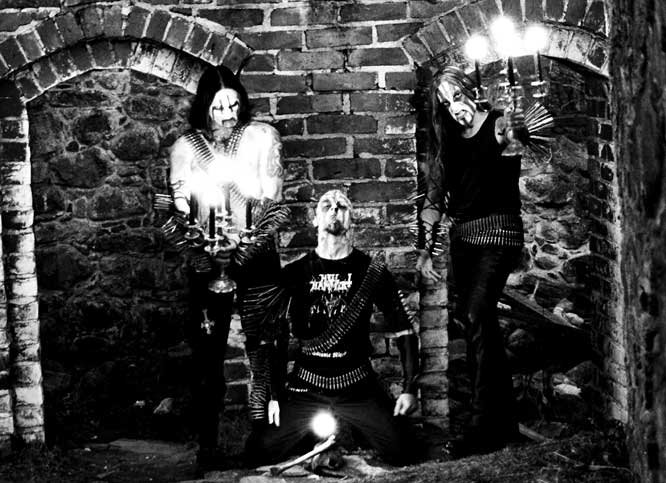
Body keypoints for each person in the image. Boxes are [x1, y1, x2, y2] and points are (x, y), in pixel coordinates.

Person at [244, 190, 420, 466]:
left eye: (342, 206)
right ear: (315, 219)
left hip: (357, 384)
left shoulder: (371, 271)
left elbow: (404, 331)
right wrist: (275, 395)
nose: (334, 209)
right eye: (327, 205)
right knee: (258, 451)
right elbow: (274, 337)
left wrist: (409, 388)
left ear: (352, 219)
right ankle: (319, 435)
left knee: (404, 450)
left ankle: (337, 433)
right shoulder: (295, 273)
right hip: (306, 385)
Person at [168, 64, 284, 470]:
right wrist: (200, 237)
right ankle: (208, 444)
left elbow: (271, 196)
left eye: (233, 104)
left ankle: (267, 437)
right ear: (204, 106)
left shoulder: (261, 136)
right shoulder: (187, 147)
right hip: (207, 254)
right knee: (207, 350)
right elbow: (179, 202)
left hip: (256, 253)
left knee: (265, 344)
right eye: (218, 107)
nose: (227, 114)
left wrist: (246, 238)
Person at [416, 65, 527, 456]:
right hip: (462, 241)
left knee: (478, 314)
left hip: (499, 235)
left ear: (471, 91)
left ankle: (480, 428)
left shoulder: (498, 124)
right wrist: (425, 248)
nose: (454, 108)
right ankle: (504, 423)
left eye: (457, 97)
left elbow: (523, 137)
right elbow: (433, 200)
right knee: (478, 324)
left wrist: (518, 124)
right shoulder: (446, 141)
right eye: (445, 104)